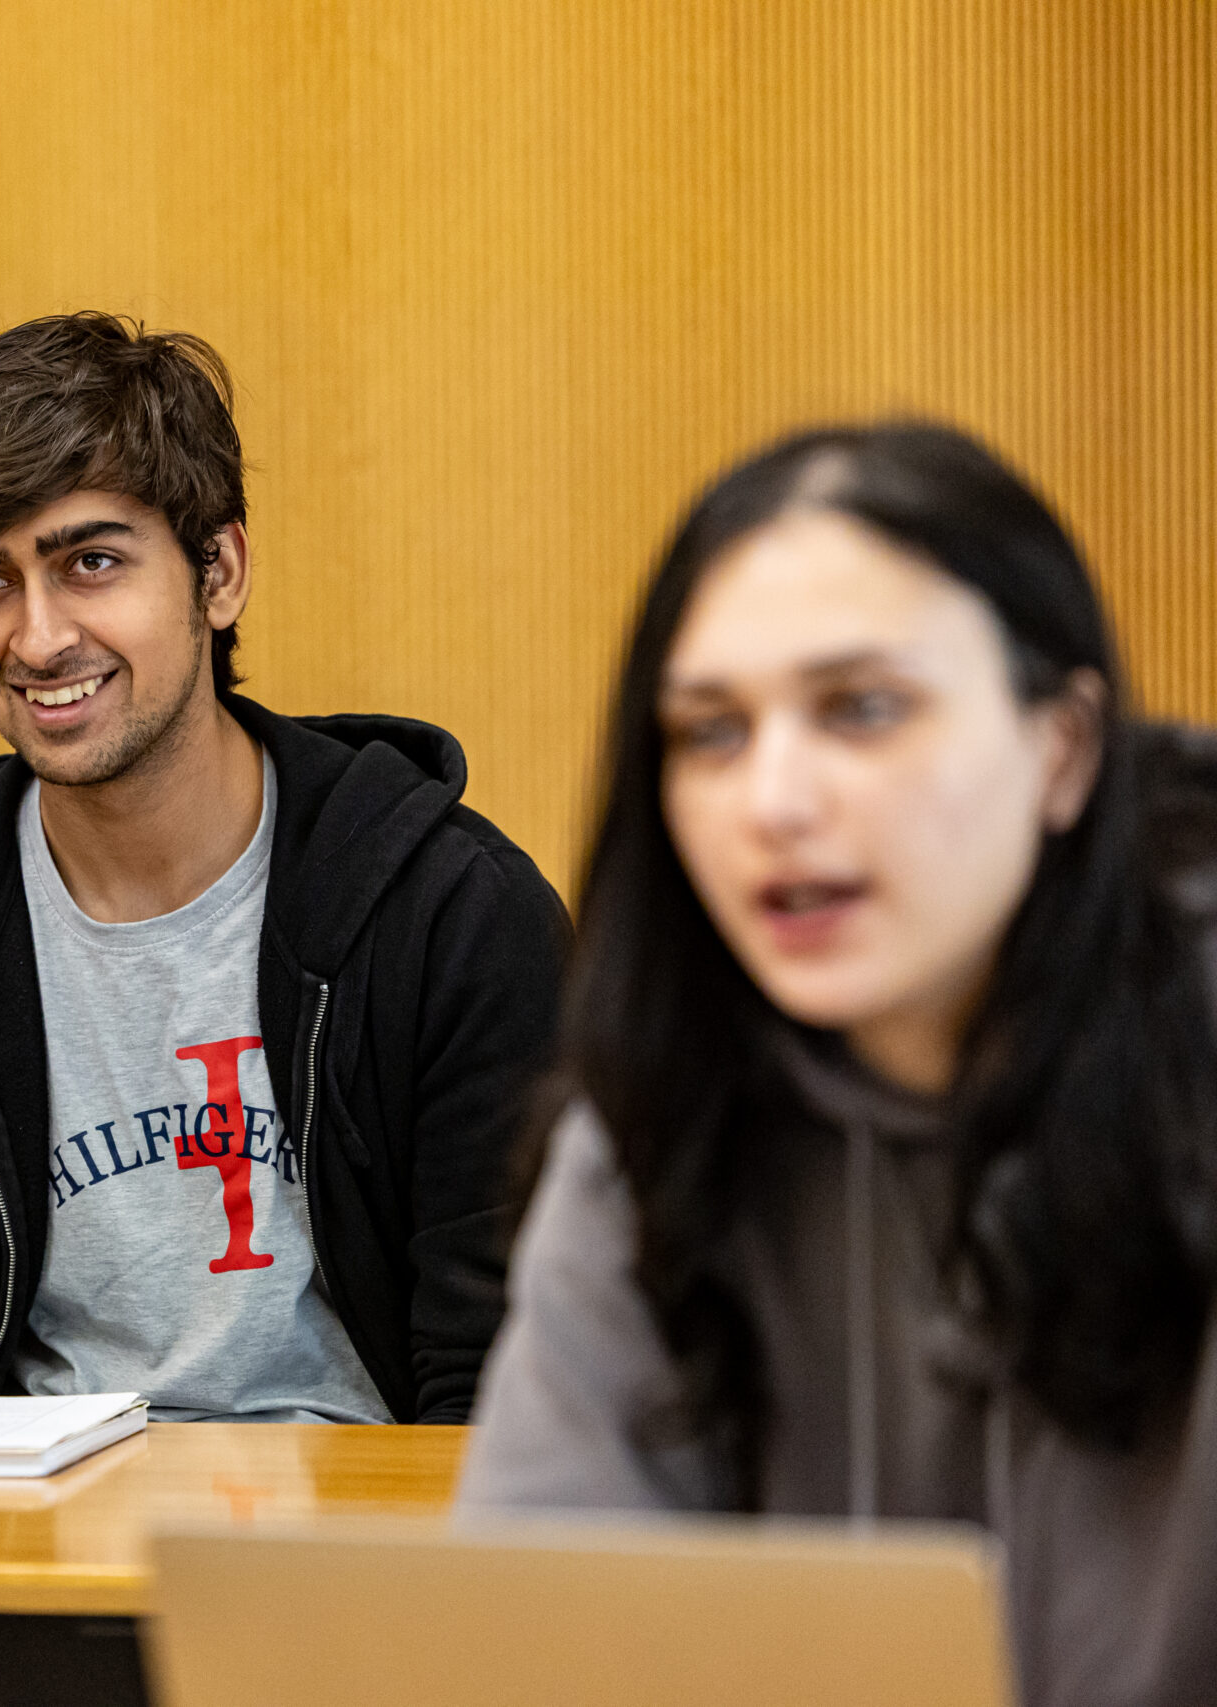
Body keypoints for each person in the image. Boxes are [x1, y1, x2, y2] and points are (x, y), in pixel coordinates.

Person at [457, 422, 1217, 1704]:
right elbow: (541, 1617)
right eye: (709, 733)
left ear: (1064, 748)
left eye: (861, 710)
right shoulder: (662, 1111)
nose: (773, 802)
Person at [0, 314, 567, 1423]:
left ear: (218, 573)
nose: (37, 639)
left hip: (355, 1564)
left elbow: (508, 1394)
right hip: (25, 1565)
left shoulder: (454, 917)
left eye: (90, 563)